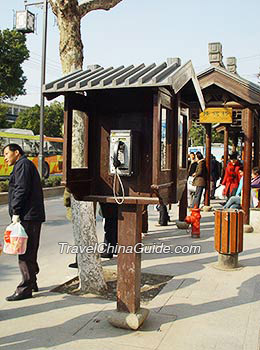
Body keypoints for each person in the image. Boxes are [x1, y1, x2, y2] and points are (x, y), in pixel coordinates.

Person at [3, 143, 45, 301]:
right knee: (30, 250)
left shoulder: (23, 165)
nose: (5, 157)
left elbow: (21, 189)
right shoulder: (23, 165)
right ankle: (32, 282)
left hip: (27, 216)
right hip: (30, 216)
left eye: (7, 153)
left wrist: (16, 212)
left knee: (24, 253)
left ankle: (25, 288)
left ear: (16, 152)